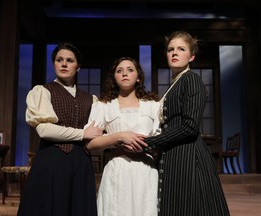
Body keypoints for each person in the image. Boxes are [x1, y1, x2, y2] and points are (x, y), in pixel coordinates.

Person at [139, 30, 230, 215]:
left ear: (191, 56)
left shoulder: (191, 80)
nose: (174, 53)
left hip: (188, 154)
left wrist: (149, 142)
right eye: (170, 49)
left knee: (189, 206)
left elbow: (189, 127)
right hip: (174, 152)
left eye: (181, 49)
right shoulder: (176, 83)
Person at [17, 43, 103, 216]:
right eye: (59, 60)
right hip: (52, 159)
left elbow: (96, 132)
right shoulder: (43, 91)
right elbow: (44, 130)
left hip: (80, 162)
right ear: (54, 64)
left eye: (69, 60)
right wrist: (82, 134)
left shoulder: (91, 99)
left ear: (77, 67)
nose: (64, 64)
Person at [84, 56, 160, 216]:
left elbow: (160, 138)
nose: (125, 73)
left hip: (145, 169)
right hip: (117, 169)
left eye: (130, 70)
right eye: (119, 71)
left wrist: (146, 146)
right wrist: (119, 137)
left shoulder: (153, 106)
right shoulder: (104, 106)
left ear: (138, 77)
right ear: (114, 78)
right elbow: (89, 144)